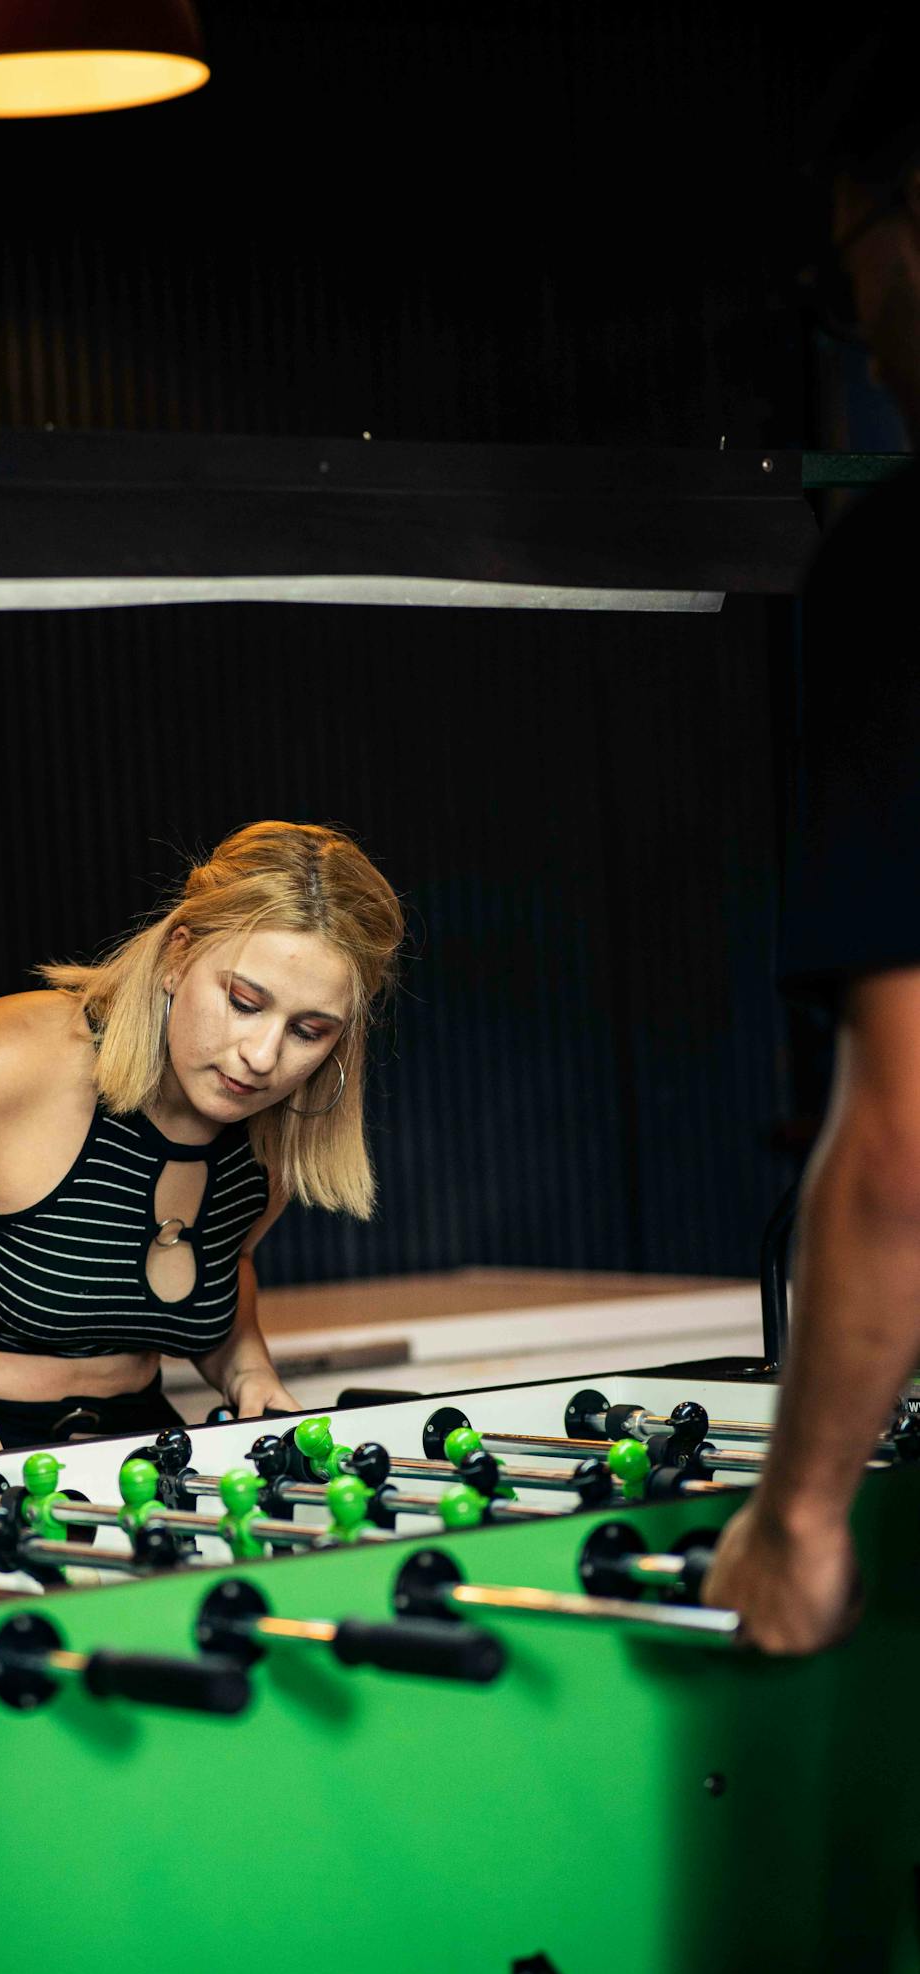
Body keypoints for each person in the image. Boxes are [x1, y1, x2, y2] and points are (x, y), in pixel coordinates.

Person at [0, 820, 404, 1474]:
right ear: (178, 956)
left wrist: (247, 1370)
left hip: (131, 1460)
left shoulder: (275, 1124)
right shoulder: (17, 1058)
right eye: (244, 1001)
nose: (261, 1056)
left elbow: (228, 1265)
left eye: (309, 1030)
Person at [703, 26, 920, 1651]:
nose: (860, 333)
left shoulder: (900, 567)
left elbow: (910, 1138)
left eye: (851, 271)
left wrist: (798, 1513)